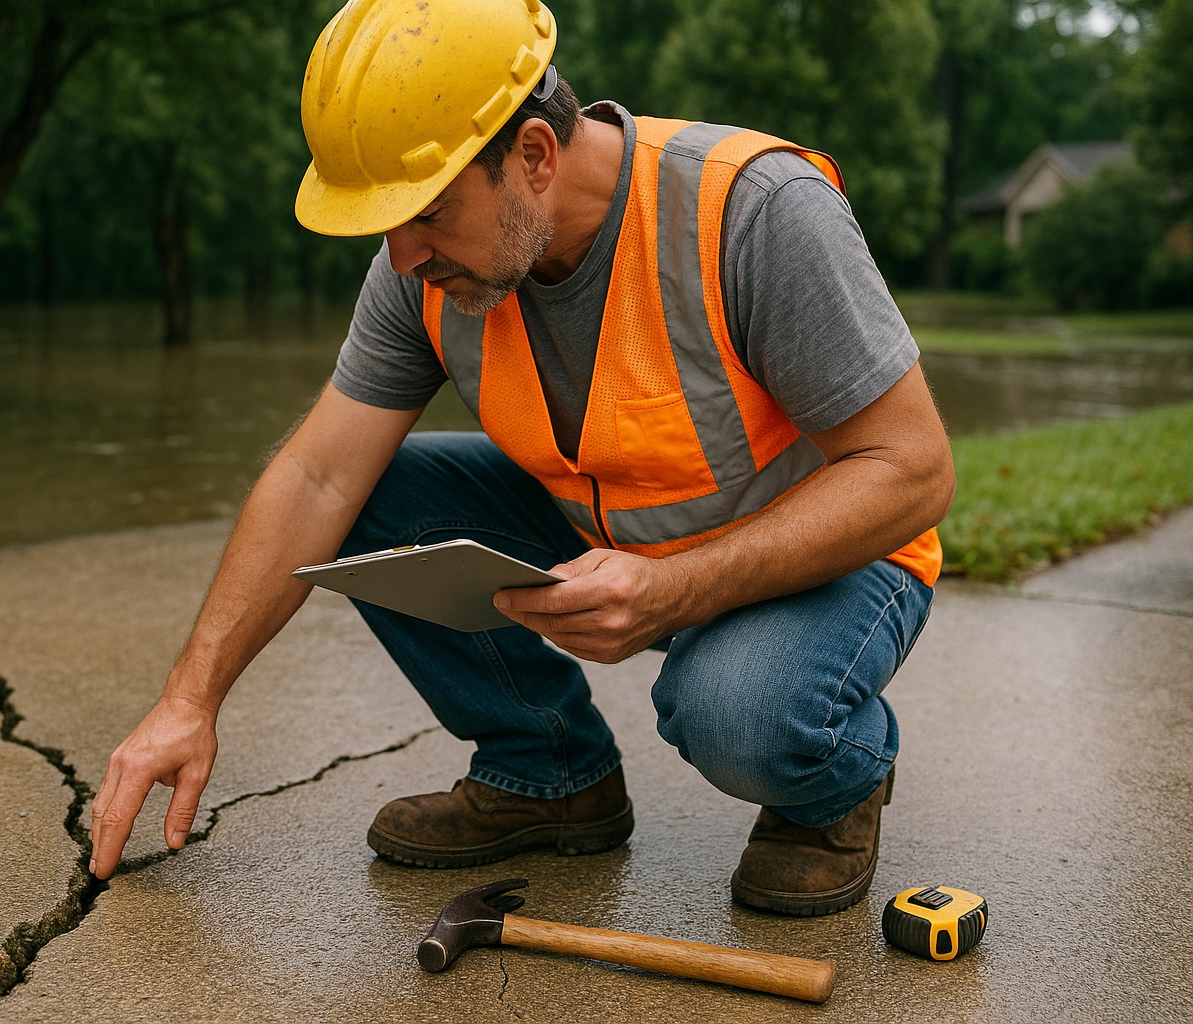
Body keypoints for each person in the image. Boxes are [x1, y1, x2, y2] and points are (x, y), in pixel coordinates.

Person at [89, 0, 954, 917]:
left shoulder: (755, 212)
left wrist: (675, 589)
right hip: (606, 540)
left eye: (425, 212)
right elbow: (317, 477)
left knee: (735, 715)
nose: (401, 254)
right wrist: (190, 698)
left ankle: (834, 789)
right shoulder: (422, 267)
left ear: (535, 155)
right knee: (368, 497)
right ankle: (550, 772)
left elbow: (913, 470)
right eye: (386, 221)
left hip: (831, 562)